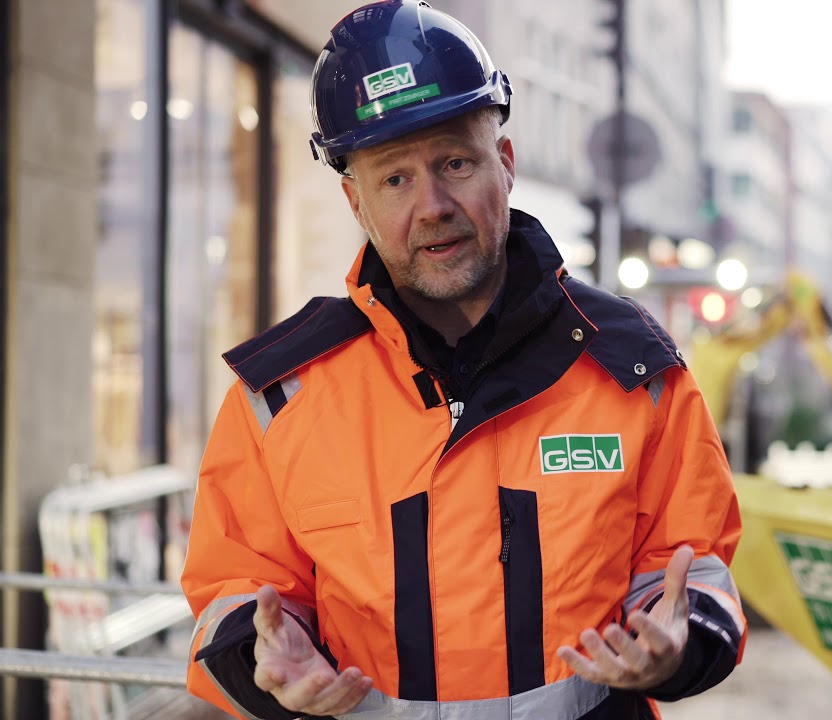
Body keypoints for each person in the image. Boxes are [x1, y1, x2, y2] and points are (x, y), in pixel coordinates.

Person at [180, 4, 745, 719]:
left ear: (503, 165)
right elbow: (236, 585)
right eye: (394, 180)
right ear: (355, 201)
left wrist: (681, 635)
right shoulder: (281, 396)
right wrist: (266, 658)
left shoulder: (635, 370)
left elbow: (698, 564)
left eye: (455, 162)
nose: (433, 206)